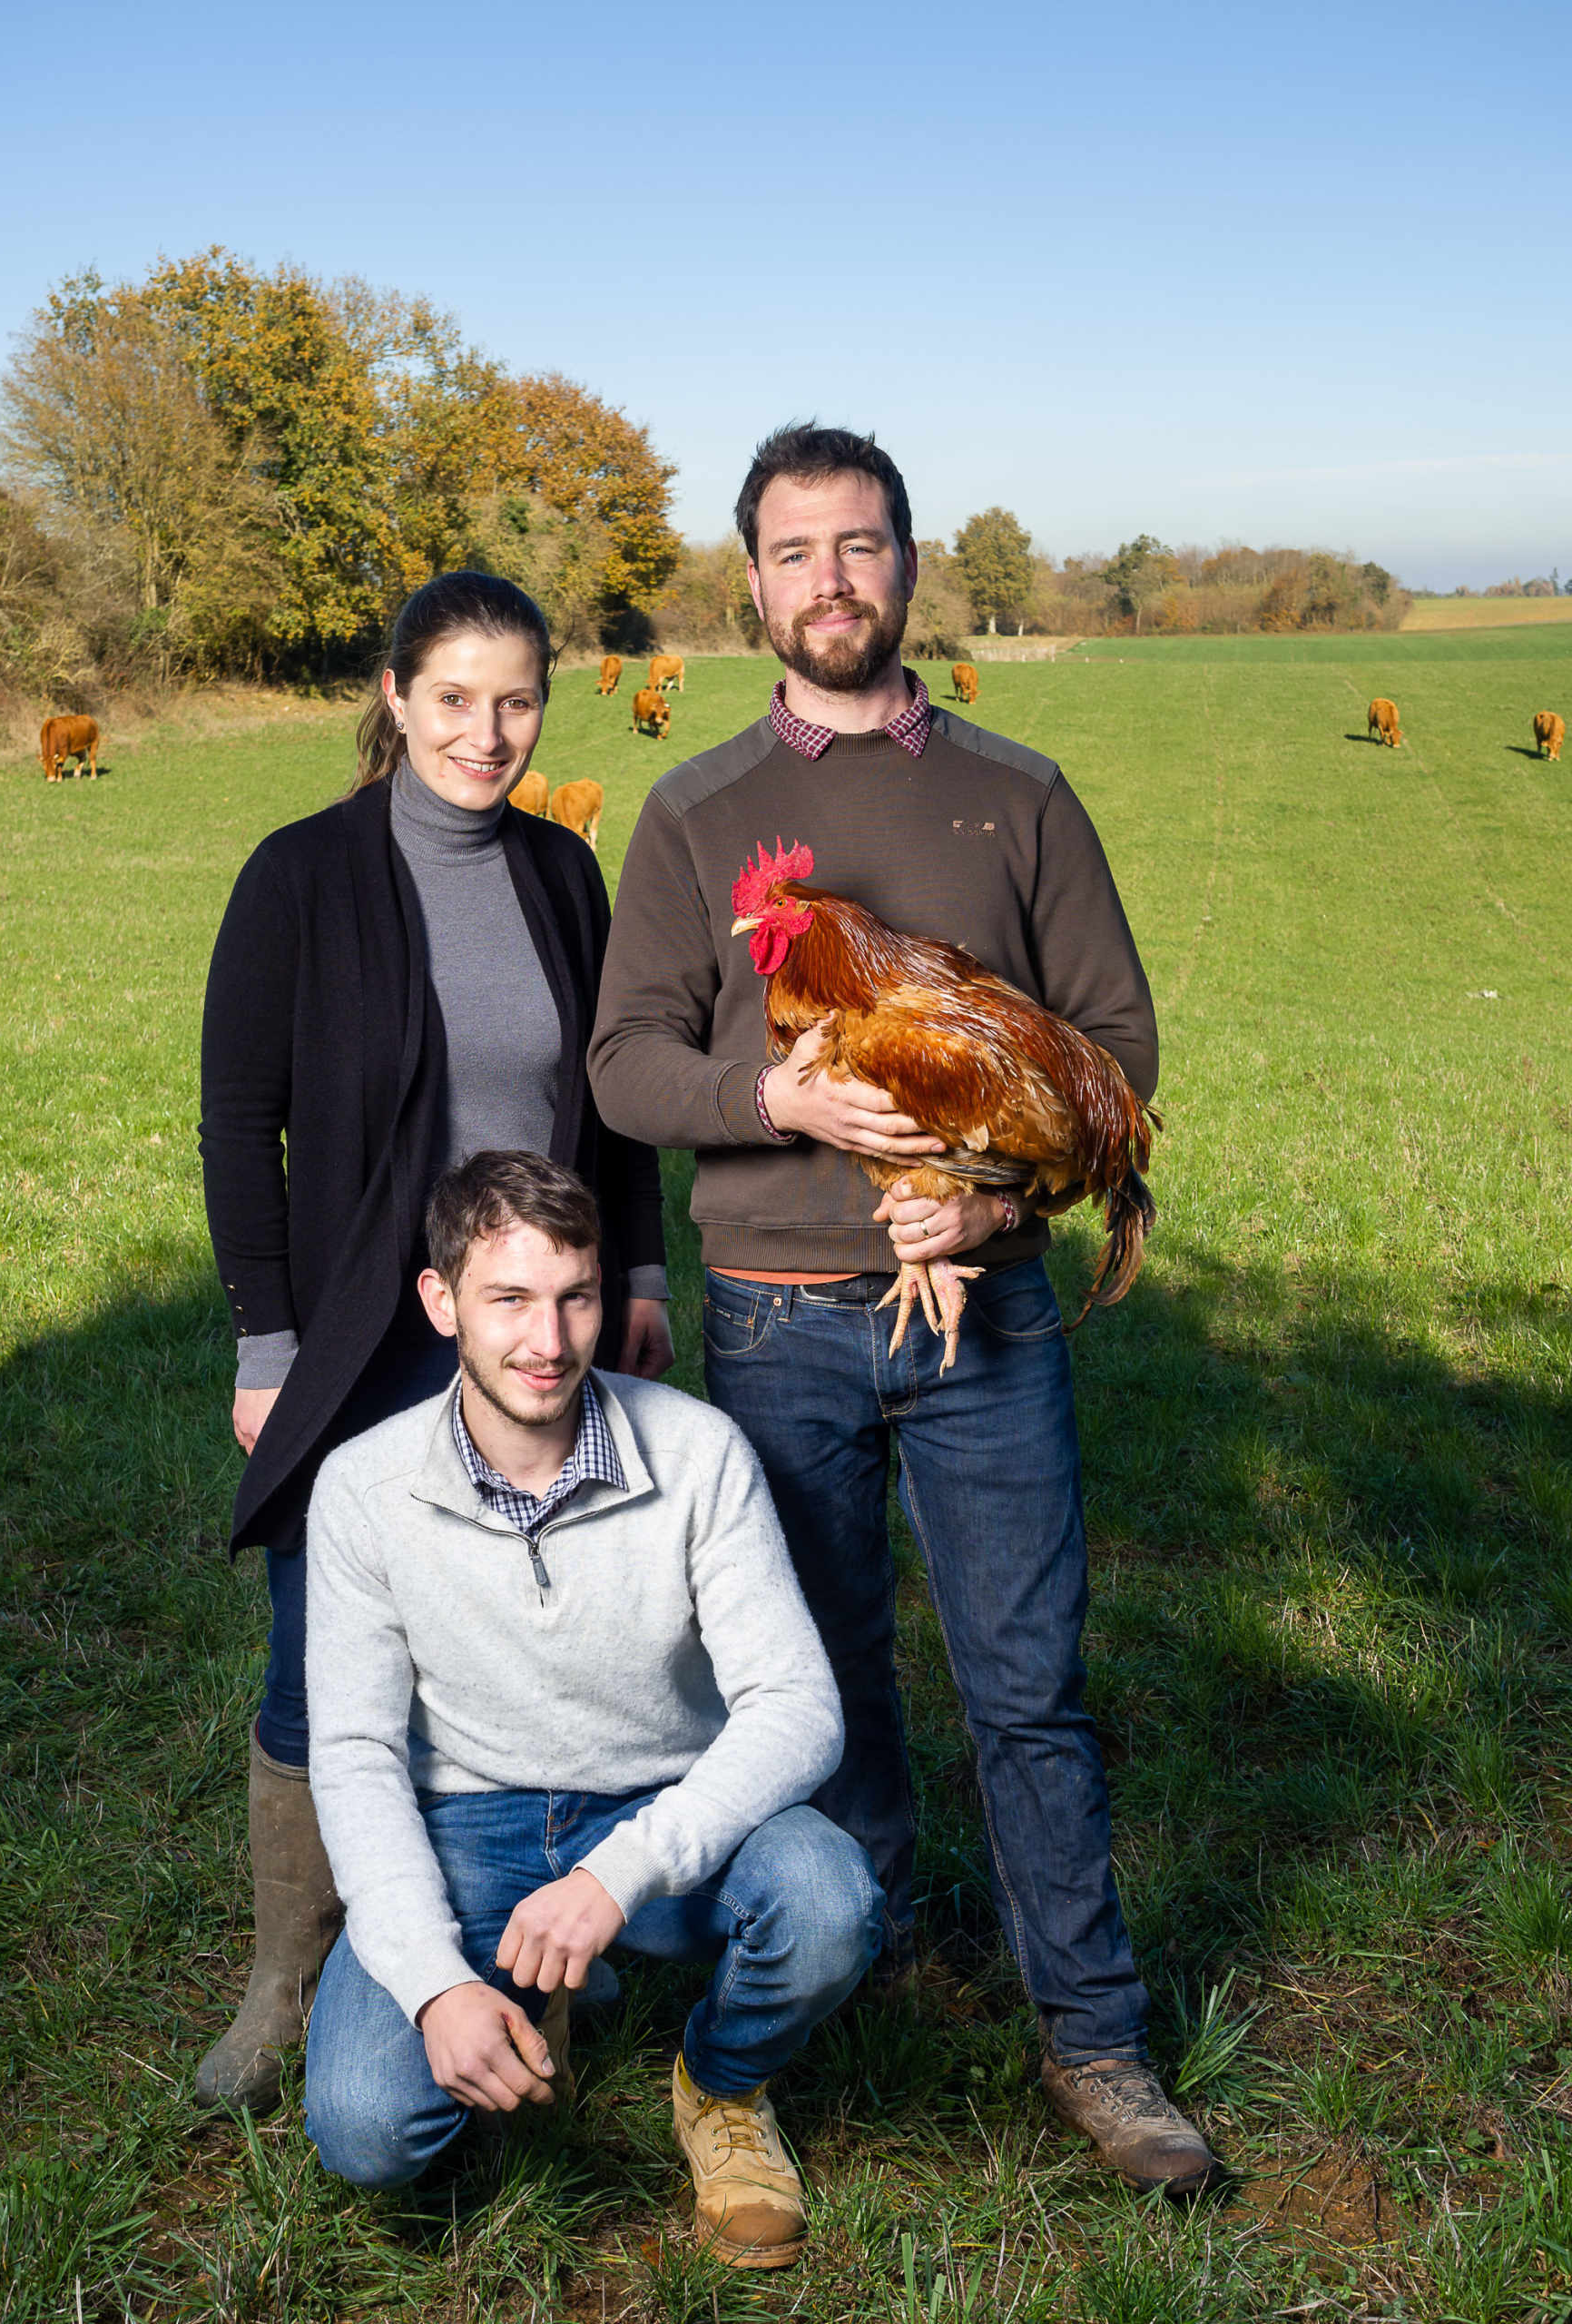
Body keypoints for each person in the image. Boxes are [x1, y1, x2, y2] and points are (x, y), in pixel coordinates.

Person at [587, 424, 1215, 2195]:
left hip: (992, 1320)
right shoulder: (694, 808)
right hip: (779, 1319)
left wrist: (994, 1192)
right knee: (822, 1675)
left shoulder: (1018, 793)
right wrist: (774, 1099)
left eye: (861, 545)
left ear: (910, 564)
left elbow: (1118, 1046)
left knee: (1030, 1684)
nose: (832, 579)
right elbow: (627, 1058)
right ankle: (854, 1991)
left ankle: (1095, 2036)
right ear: (755, 582)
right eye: (797, 551)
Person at [195, 574, 673, 2114]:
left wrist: (643, 1263)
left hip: (531, 1326)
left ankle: (534, 1959)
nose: (490, 731)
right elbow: (236, 1122)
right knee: (319, 1653)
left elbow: (609, 1096)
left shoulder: (557, 874)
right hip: (361, 1334)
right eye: (456, 698)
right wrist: (270, 1339)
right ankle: (290, 1975)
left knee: (540, 1638)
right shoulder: (301, 878)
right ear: (396, 696)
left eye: (518, 700)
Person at [301, 1151, 879, 2268]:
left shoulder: (698, 1449)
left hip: (659, 1798)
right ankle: (518, 1986)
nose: (549, 1341)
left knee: (829, 1898)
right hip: (467, 1818)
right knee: (371, 2128)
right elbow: (358, 1756)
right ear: (441, 1303)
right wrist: (432, 1990)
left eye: (575, 1296)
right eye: (508, 1299)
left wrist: (616, 1875)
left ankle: (719, 2081)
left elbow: (800, 1706)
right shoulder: (363, 1489)